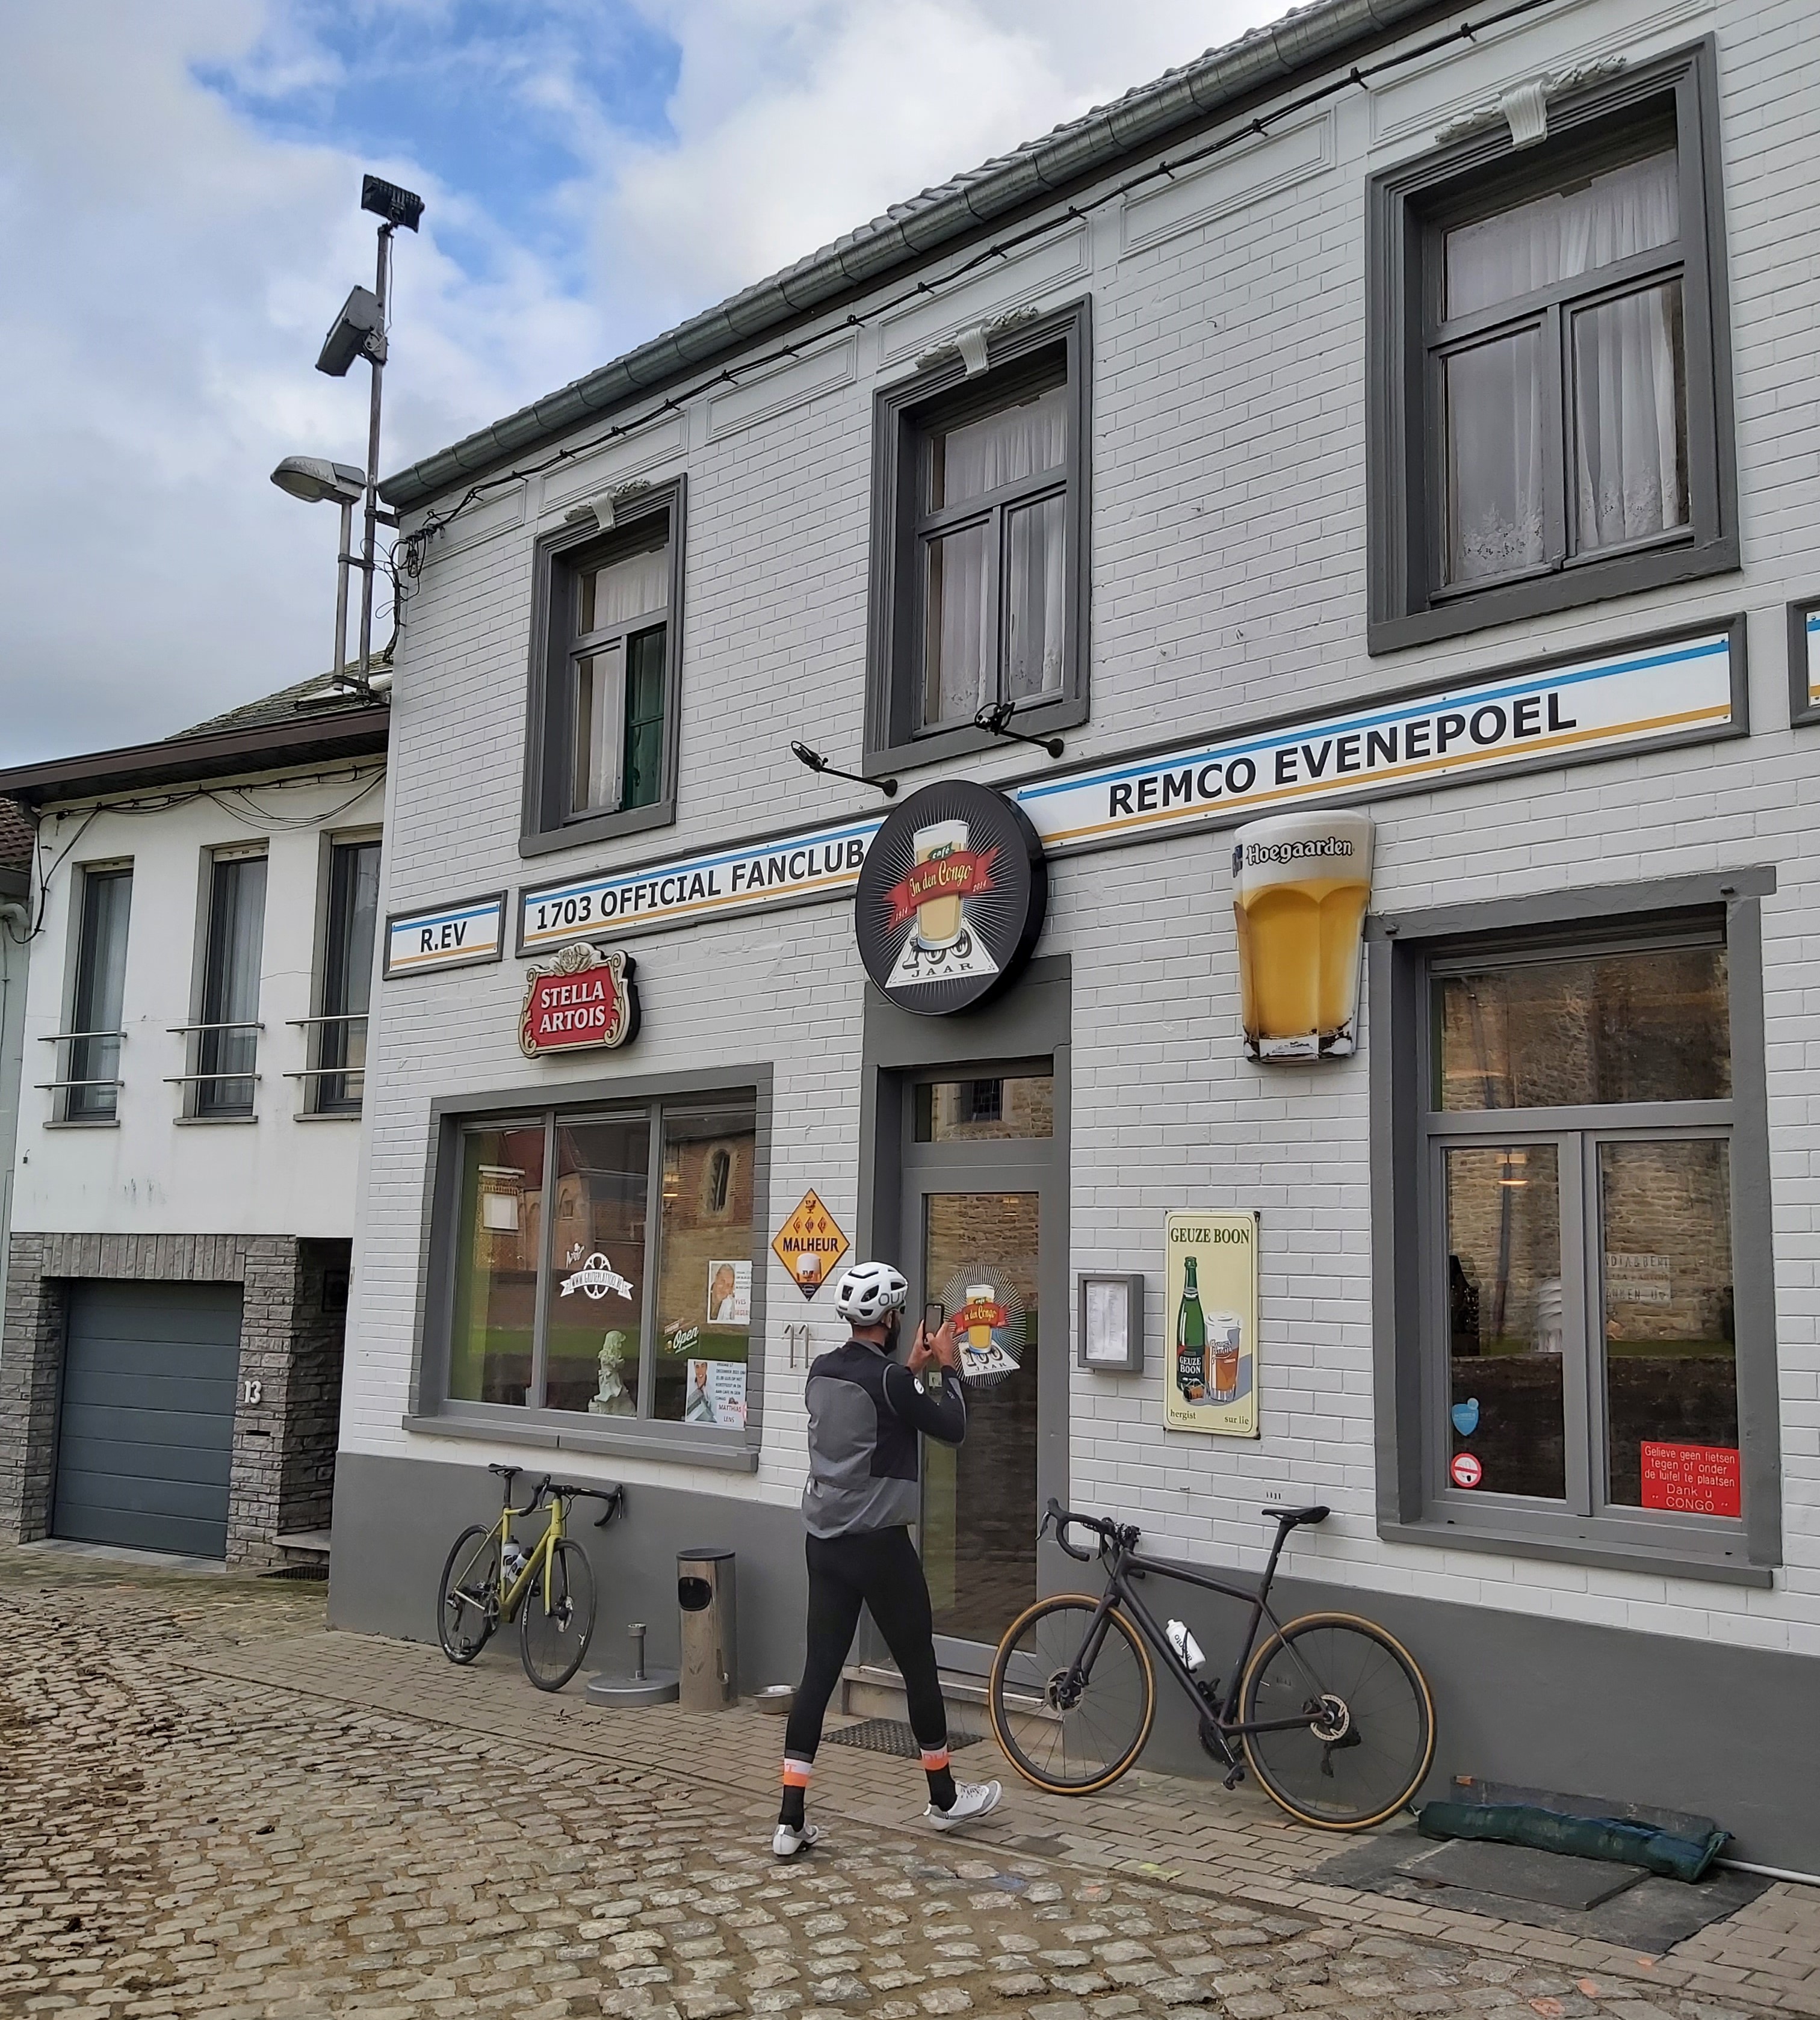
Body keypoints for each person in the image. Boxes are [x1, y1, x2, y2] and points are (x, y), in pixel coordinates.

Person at [774, 1259, 1001, 1857]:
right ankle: (945, 1799)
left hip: (823, 1543)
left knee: (818, 1673)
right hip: (880, 1545)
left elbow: (873, 1408)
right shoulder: (894, 1384)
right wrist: (948, 1369)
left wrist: (909, 1372)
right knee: (918, 1666)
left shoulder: (823, 1373)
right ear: (893, 1316)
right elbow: (950, 1428)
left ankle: (789, 1820)